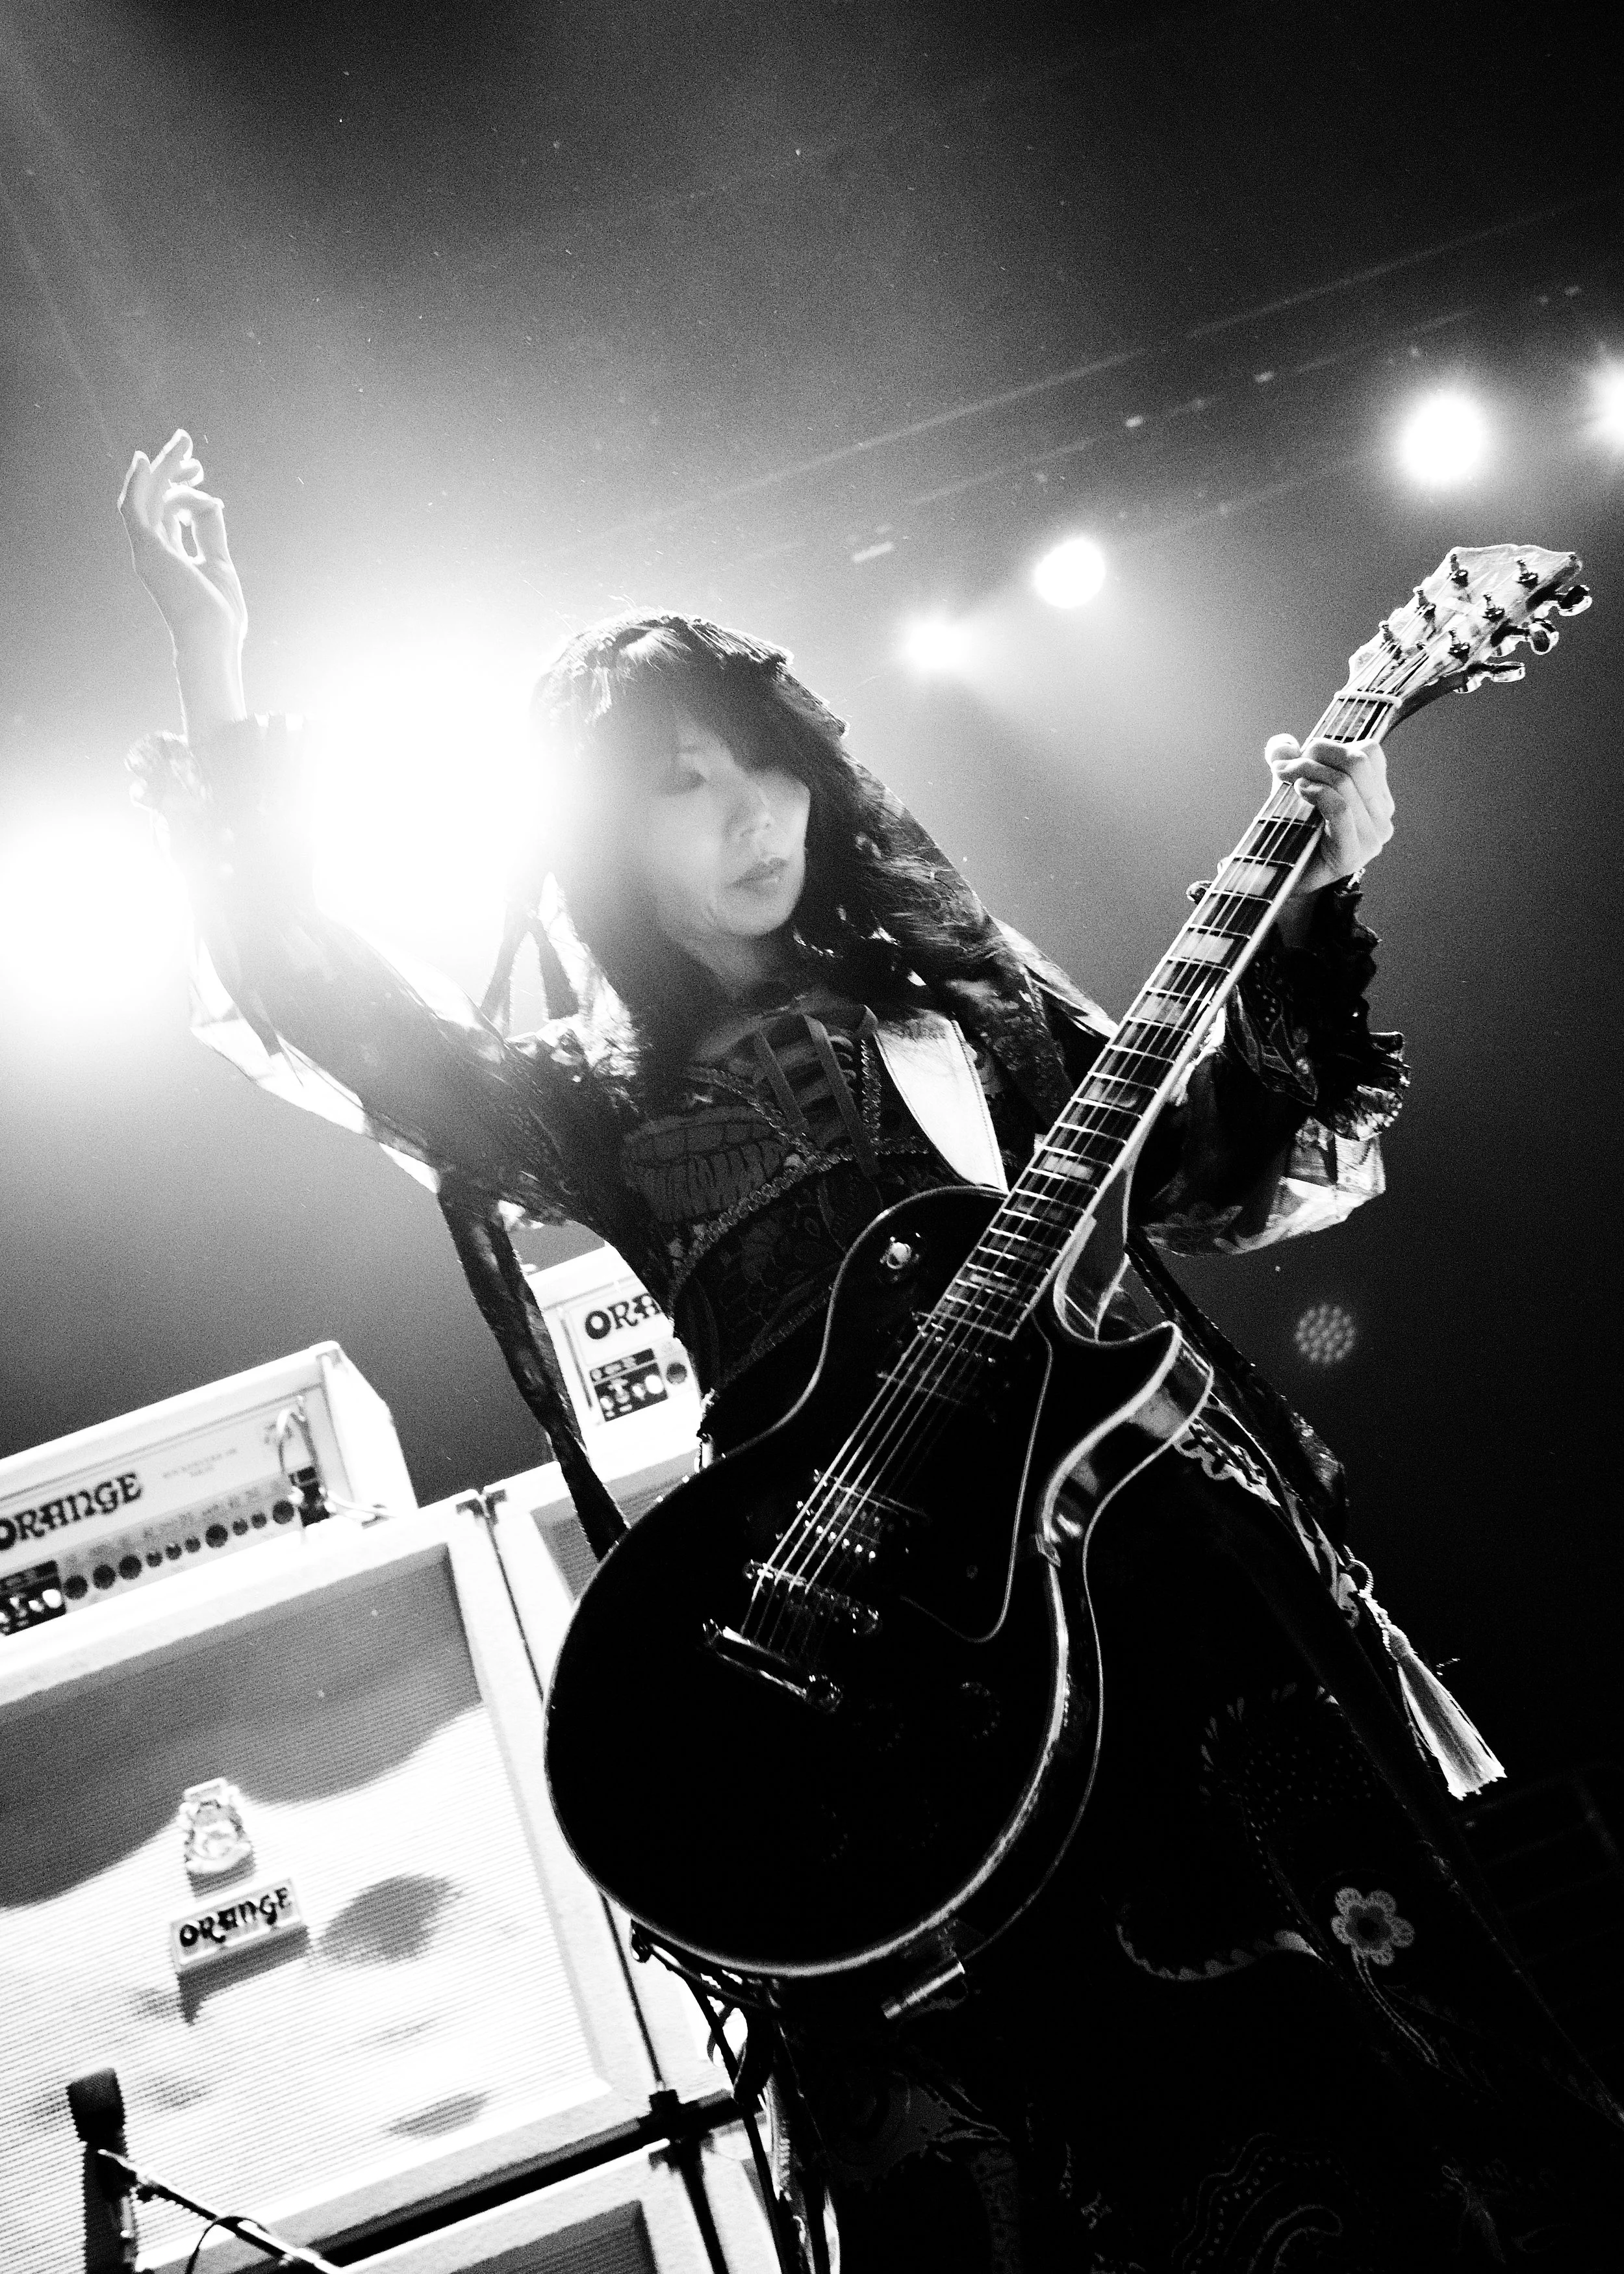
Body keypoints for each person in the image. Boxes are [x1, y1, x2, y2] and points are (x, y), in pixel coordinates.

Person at [119, 429, 1623, 2270]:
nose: (754, 814)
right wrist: (216, 667)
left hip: (1159, 1590)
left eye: (768, 767)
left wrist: (1312, 897)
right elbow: (337, 1005)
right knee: (1092, 2153)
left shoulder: (956, 1007)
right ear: (601, 837)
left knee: (1398, 2064)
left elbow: (1231, 1168)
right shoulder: (604, 1103)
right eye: (682, 785)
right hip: (874, 1708)